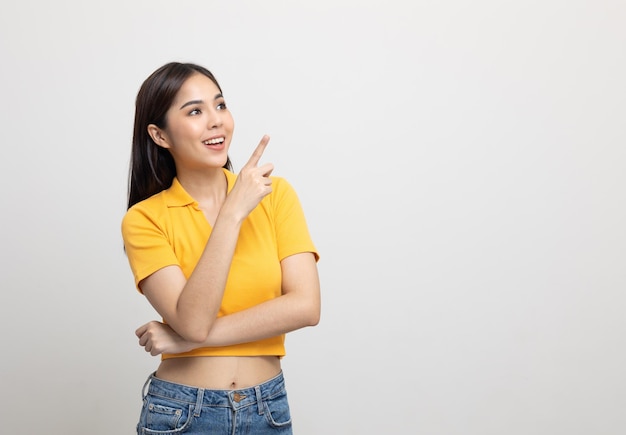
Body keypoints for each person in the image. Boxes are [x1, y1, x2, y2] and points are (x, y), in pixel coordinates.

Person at [121, 61, 320, 434]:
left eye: (220, 105)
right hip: (181, 413)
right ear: (159, 135)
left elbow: (306, 307)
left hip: (268, 410)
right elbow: (193, 321)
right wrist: (232, 214)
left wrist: (183, 340)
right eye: (195, 111)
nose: (216, 121)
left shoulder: (276, 196)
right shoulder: (144, 219)